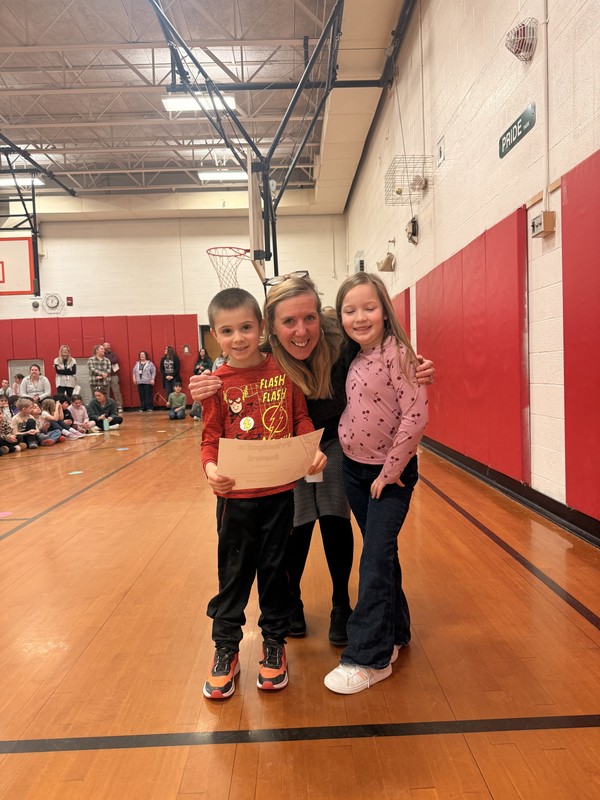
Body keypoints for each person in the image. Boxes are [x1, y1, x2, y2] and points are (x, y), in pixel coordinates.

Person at [190, 273, 434, 646]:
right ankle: (292, 601)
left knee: (334, 515)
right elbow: (234, 361)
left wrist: (416, 366)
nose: (301, 331)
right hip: (287, 443)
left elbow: (381, 349)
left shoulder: (339, 340)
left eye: (309, 318)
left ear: (321, 317)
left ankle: (341, 604)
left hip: (334, 439)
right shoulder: (264, 351)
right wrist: (204, 384)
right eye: (289, 321)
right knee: (297, 521)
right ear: (271, 328)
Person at [201, 288, 326, 700]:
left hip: (279, 497)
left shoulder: (284, 371)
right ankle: (226, 649)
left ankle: (274, 643)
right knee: (233, 576)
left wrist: (311, 451)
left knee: (276, 574)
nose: (238, 338)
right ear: (215, 336)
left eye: (246, 328)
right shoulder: (215, 384)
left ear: (261, 328)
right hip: (234, 501)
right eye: (227, 331)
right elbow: (209, 440)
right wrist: (211, 470)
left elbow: (301, 419)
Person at [322, 273, 428, 694]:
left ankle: (369, 656)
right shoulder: (352, 354)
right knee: (382, 555)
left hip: (390, 476)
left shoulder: (398, 355)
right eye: (350, 310)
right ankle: (396, 633)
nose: (360, 317)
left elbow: (415, 417)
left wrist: (390, 472)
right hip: (354, 470)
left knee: (373, 560)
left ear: (385, 310)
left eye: (369, 307)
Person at [103, 342, 124, 412]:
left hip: (113, 375)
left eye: (109, 345)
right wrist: (109, 361)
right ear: (103, 346)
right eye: (107, 345)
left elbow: (115, 360)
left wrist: (107, 361)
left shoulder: (112, 354)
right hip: (105, 376)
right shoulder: (102, 354)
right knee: (106, 392)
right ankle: (107, 407)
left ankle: (119, 406)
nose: (109, 346)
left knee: (116, 391)